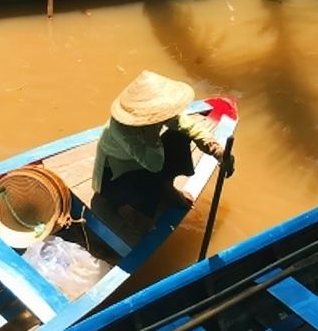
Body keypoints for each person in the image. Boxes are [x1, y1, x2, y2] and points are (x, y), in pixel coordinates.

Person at [91, 71, 228, 223]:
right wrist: (151, 137)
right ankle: (138, 206)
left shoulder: (160, 115)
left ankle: (166, 186)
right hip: (117, 175)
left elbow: (187, 126)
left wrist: (216, 150)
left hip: (145, 161)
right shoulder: (122, 129)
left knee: (180, 135)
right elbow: (154, 164)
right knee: (146, 183)